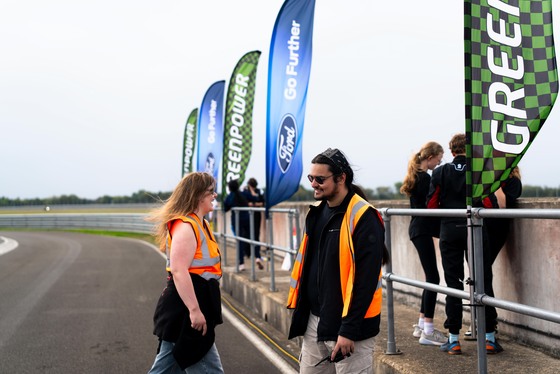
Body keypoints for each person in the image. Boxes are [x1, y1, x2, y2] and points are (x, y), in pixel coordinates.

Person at [287, 148, 389, 374]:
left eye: (320, 179)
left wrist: (349, 330)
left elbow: (366, 281)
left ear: (341, 178)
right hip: (315, 322)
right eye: (311, 178)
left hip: (349, 328)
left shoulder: (364, 216)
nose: (314, 184)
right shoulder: (316, 213)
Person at [426, 133, 502, 355]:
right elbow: (489, 203)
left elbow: (431, 205)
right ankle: (488, 338)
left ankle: (453, 340)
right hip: (476, 231)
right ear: (471, 151)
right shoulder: (479, 172)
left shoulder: (440, 172)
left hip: (449, 231)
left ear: (451, 151)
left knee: (453, 285)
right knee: (483, 282)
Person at [147, 172, 224, 373]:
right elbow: (179, 271)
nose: (214, 195)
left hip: (194, 304)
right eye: (211, 191)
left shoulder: (202, 224)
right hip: (185, 310)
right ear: (198, 195)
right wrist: (194, 311)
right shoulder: (186, 226)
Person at [400, 141, 447, 346]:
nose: (440, 162)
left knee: (430, 277)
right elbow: (432, 204)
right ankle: (428, 330)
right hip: (421, 229)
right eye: (439, 158)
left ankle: (421, 324)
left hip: (418, 229)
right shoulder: (425, 178)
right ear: (430, 158)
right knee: (433, 278)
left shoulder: (416, 175)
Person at [486, 166, 522, 265]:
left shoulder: (513, 181)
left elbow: (503, 205)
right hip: (484, 225)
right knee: (477, 263)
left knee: (485, 263)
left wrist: (496, 184)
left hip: (496, 227)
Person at [223, 179, 251, 271]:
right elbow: (253, 198)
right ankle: (250, 254)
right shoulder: (243, 194)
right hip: (247, 219)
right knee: (247, 239)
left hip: (236, 221)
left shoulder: (231, 196)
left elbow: (225, 208)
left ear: (230, 188)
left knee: (240, 241)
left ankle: (241, 263)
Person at [242, 177, 265, 269]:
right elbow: (245, 202)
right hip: (247, 216)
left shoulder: (259, 191)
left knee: (256, 235)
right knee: (246, 234)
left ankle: (257, 255)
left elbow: (262, 202)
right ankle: (247, 253)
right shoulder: (245, 191)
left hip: (256, 215)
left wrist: (253, 203)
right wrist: (255, 202)